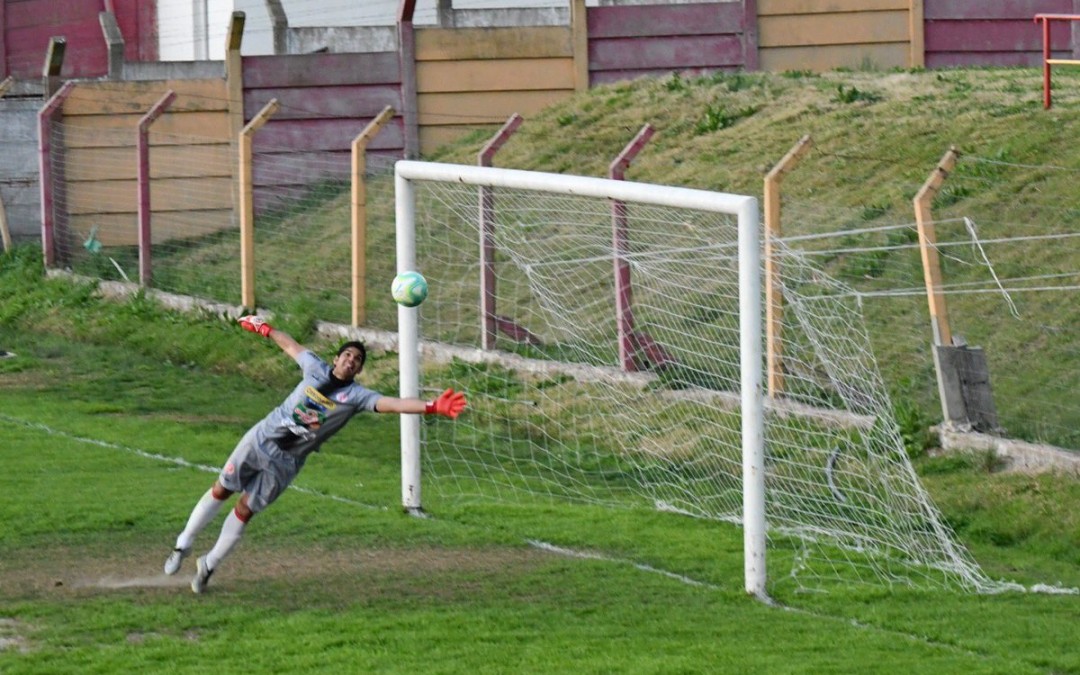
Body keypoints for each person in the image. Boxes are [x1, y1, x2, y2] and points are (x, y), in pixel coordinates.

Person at [164, 315, 467, 593]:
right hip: (260, 440)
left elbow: (394, 404)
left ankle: (209, 564)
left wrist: (431, 407)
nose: (351, 360)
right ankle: (182, 545)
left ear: (359, 370)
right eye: (347, 355)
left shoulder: (357, 397)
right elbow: (289, 343)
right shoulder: (314, 368)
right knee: (221, 489)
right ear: (336, 358)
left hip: (286, 461)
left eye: (357, 360)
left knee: (245, 510)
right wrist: (264, 328)